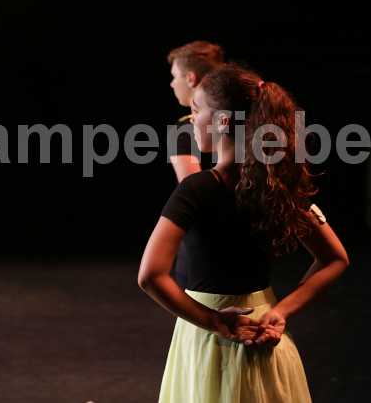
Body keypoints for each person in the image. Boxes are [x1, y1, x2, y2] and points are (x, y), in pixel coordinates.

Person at [139, 63, 350, 402]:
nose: (192, 120)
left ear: (223, 121)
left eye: (197, 110)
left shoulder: (197, 189)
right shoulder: (278, 184)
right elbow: (335, 258)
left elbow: (150, 275)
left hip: (210, 341)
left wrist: (213, 321)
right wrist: (280, 312)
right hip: (264, 331)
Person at [166, 41, 225, 288]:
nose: (172, 84)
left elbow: (194, 195)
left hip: (205, 251)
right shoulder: (244, 119)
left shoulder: (185, 128)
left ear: (190, 78)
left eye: (175, 76)